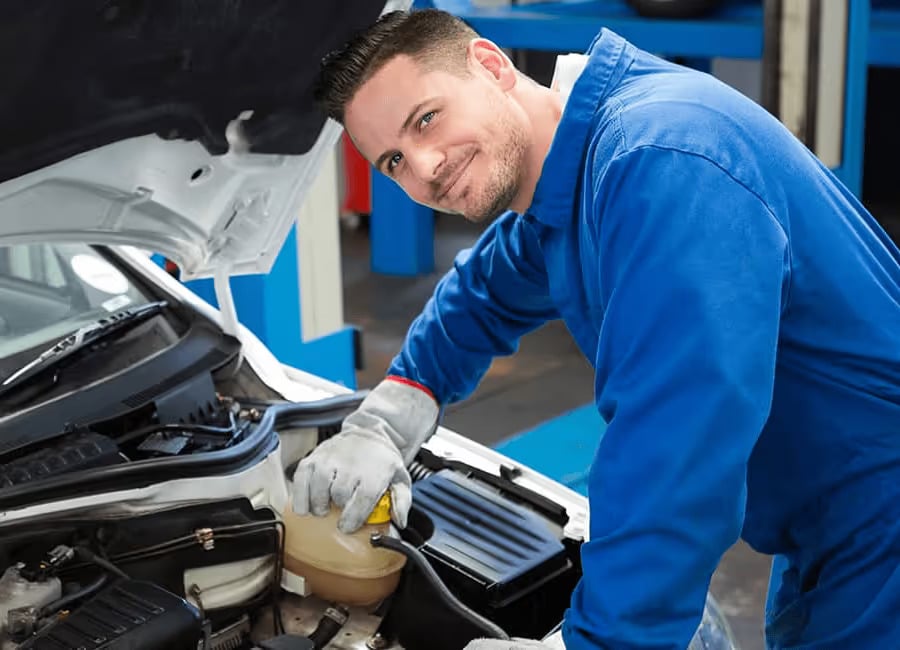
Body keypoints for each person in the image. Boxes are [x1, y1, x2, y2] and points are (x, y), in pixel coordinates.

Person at [290, 8, 900, 649]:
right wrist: (391, 411)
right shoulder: (579, 169)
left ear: (492, 66)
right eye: (392, 161)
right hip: (828, 529)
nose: (424, 167)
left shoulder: (660, 161)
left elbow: (673, 452)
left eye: (426, 119)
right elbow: (488, 288)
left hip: (878, 531)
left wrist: (600, 642)